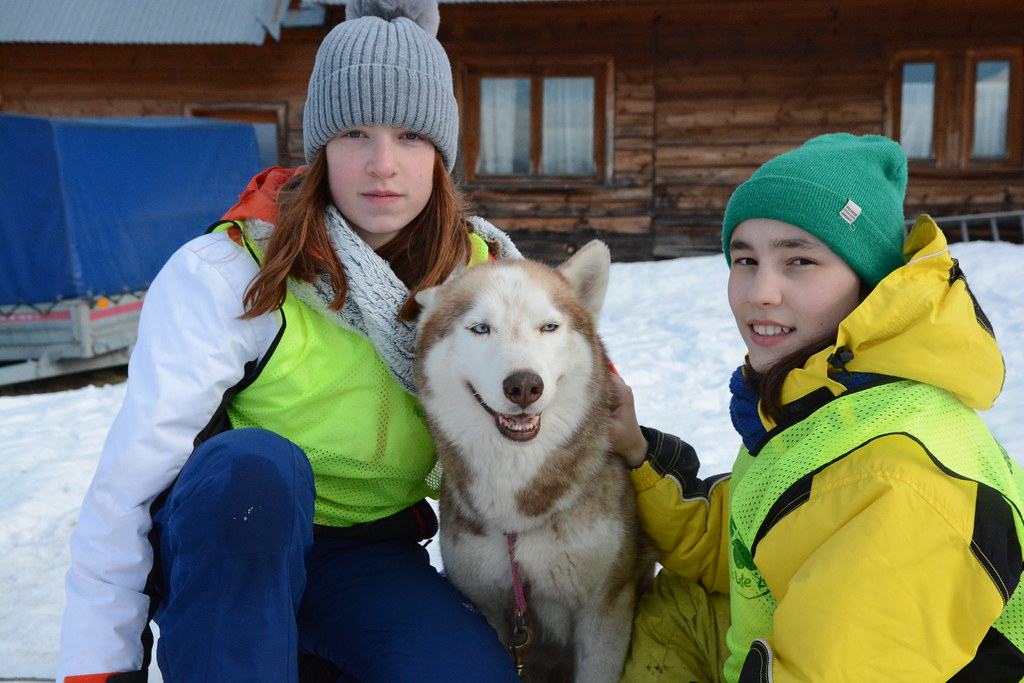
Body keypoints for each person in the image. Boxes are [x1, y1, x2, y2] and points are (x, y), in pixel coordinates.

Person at [57, 2, 522, 681]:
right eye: (355, 132)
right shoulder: (233, 272)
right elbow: (125, 488)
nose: (382, 164)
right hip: (230, 544)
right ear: (321, 147)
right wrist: (100, 668)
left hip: (363, 559)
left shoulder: (488, 284)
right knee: (256, 464)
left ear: (443, 156)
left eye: (412, 136)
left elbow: (564, 423)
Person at [609, 133, 1024, 682]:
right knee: (680, 603)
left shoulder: (899, 483)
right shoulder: (826, 402)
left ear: (868, 282)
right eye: (745, 259)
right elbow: (744, 550)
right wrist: (636, 451)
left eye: (799, 260)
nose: (760, 292)